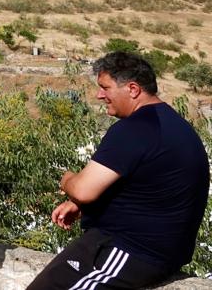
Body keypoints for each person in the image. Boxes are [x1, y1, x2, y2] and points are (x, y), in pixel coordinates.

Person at [27, 51, 210, 290]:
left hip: (128, 250)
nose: (99, 95)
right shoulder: (173, 125)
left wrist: (67, 180)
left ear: (132, 89)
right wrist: (84, 206)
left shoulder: (135, 128)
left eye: (105, 87)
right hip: (158, 252)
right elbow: (151, 187)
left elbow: (83, 189)